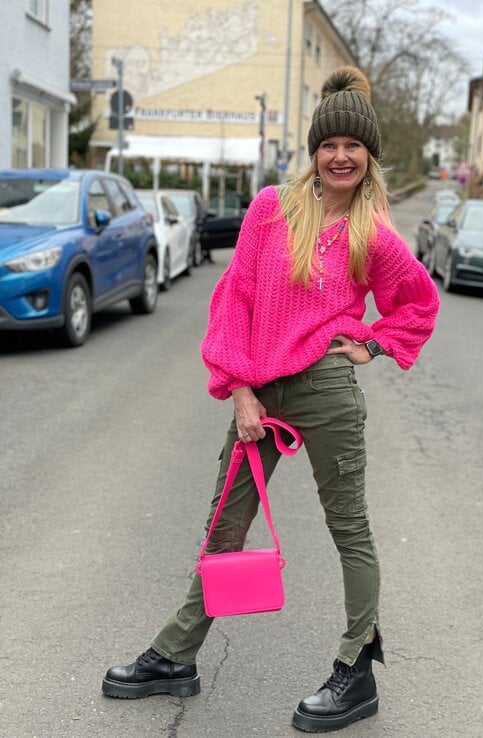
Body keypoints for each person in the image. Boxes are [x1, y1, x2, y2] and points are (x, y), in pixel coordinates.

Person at [102, 66, 440, 732]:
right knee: (226, 523)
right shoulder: (270, 209)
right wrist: (242, 391)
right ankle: (176, 655)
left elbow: (418, 304)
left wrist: (369, 345)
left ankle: (356, 670)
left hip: (325, 389)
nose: (340, 156)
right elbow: (237, 300)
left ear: (369, 156)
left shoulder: (375, 235)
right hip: (261, 389)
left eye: (353, 146)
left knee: (349, 529)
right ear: (314, 151)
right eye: (328, 144)